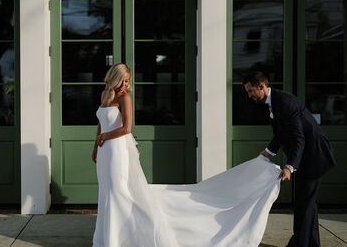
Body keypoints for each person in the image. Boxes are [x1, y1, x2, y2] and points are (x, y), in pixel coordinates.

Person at [91, 63, 282, 247]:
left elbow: (126, 128)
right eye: (123, 81)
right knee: (107, 191)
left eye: (128, 81)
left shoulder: (125, 99)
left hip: (118, 151)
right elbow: (101, 122)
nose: (126, 85)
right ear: (113, 78)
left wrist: (105, 136)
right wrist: (95, 146)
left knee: (119, 191)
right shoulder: (105, 95)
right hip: (105, 150)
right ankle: (108, 236)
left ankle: (124, 238)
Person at [243, 71, 336, 247]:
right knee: (308, 205)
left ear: (261, 86)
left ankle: (299, 244)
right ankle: (311, 244)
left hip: (314, 156)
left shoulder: (285, 103)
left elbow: (299, 138)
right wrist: (268, 152)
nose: (249, 96)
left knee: (303, 205)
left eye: (250, 91)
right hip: (305, 157)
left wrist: (290, 166)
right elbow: (281, 133)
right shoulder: (273, 103)